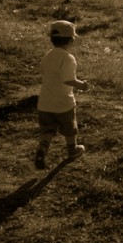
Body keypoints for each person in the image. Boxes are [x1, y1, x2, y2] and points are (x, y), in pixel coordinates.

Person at [35, 20, 89, 169]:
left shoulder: (47, 56)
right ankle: (72, 150)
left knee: (48, 128)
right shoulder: (67, 58)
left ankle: (43, 148)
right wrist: (82, 85)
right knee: (69, 127)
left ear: (52, 39)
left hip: (45, 102)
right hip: (63, 103)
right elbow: (68, 80)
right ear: (71, 39)